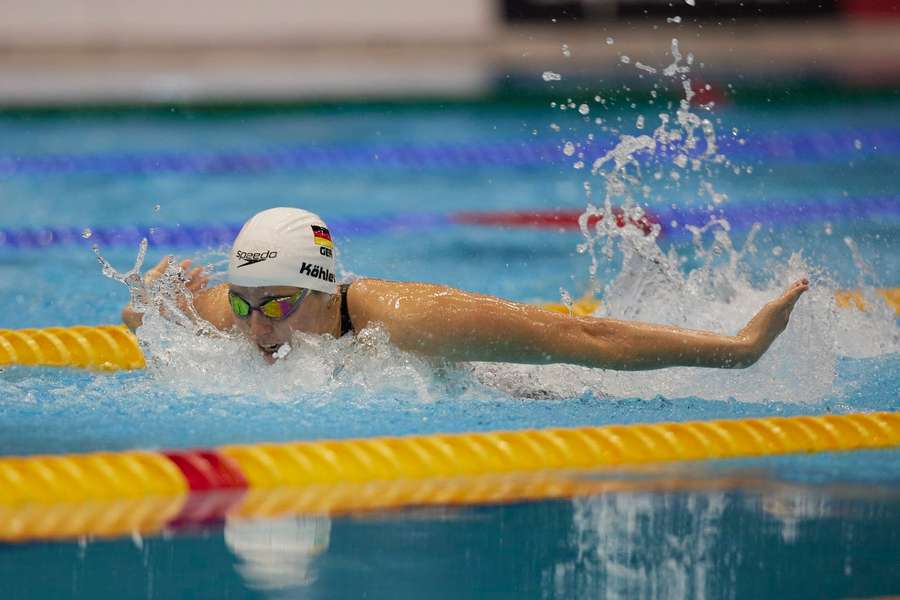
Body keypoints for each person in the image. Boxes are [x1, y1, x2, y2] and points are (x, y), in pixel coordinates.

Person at [122, 207, 809, 368]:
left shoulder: (410, 319)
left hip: (516, 380)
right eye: (245, 303)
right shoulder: (238, 308)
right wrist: (142, 311)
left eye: (275, 304)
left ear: (323, 290)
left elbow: (580, 334)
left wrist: (738, 349)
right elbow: (161, 311)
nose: (257, 327)